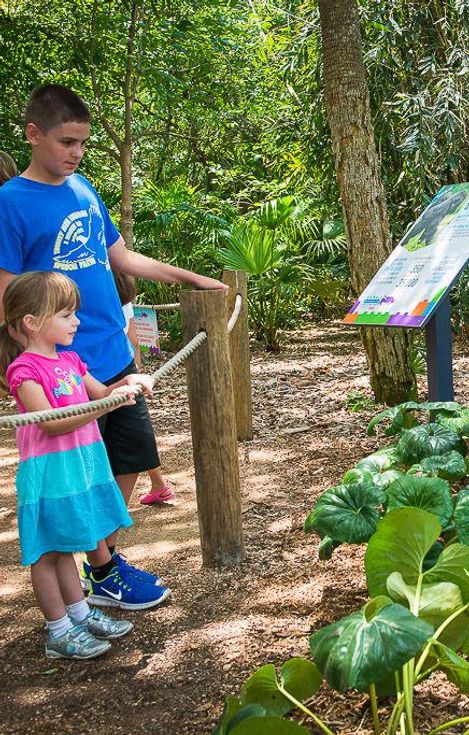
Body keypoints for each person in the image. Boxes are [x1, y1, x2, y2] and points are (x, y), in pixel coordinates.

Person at [0, 84, 227, 605]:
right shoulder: (10, 203)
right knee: (76, 468)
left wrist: (191, 279)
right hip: (59, 369)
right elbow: (9, 297)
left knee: (129, 456)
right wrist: (33, 361)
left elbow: (123, 259)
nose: (76, 152)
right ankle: (101, 568)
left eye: (82, 142)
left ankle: (102, 562)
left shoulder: (83, 189)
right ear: (33, 135)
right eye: (66, 142)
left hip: (112, 353)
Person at [0, 272, 160, 658]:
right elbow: (51, 424)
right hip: (52, 473)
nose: (76, 322)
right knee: (49, 552)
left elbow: (104, 394)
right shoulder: (24, 372)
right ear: (32, 322)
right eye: (66, 315)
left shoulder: (71, 360)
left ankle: (80, 612)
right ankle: (58, 630)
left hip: (82, 468)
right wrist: (106, 404)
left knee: (73, 543)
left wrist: (129, 385)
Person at [113, 270, 174, 504]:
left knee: (131, 439)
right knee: (134, 438)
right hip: (126, 371)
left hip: (121, 373)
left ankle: (157, 484)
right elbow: (134, 339)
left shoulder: (113, 297)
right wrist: (135, 367)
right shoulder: (121, 297)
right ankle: (158, 484)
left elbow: (132, 338)